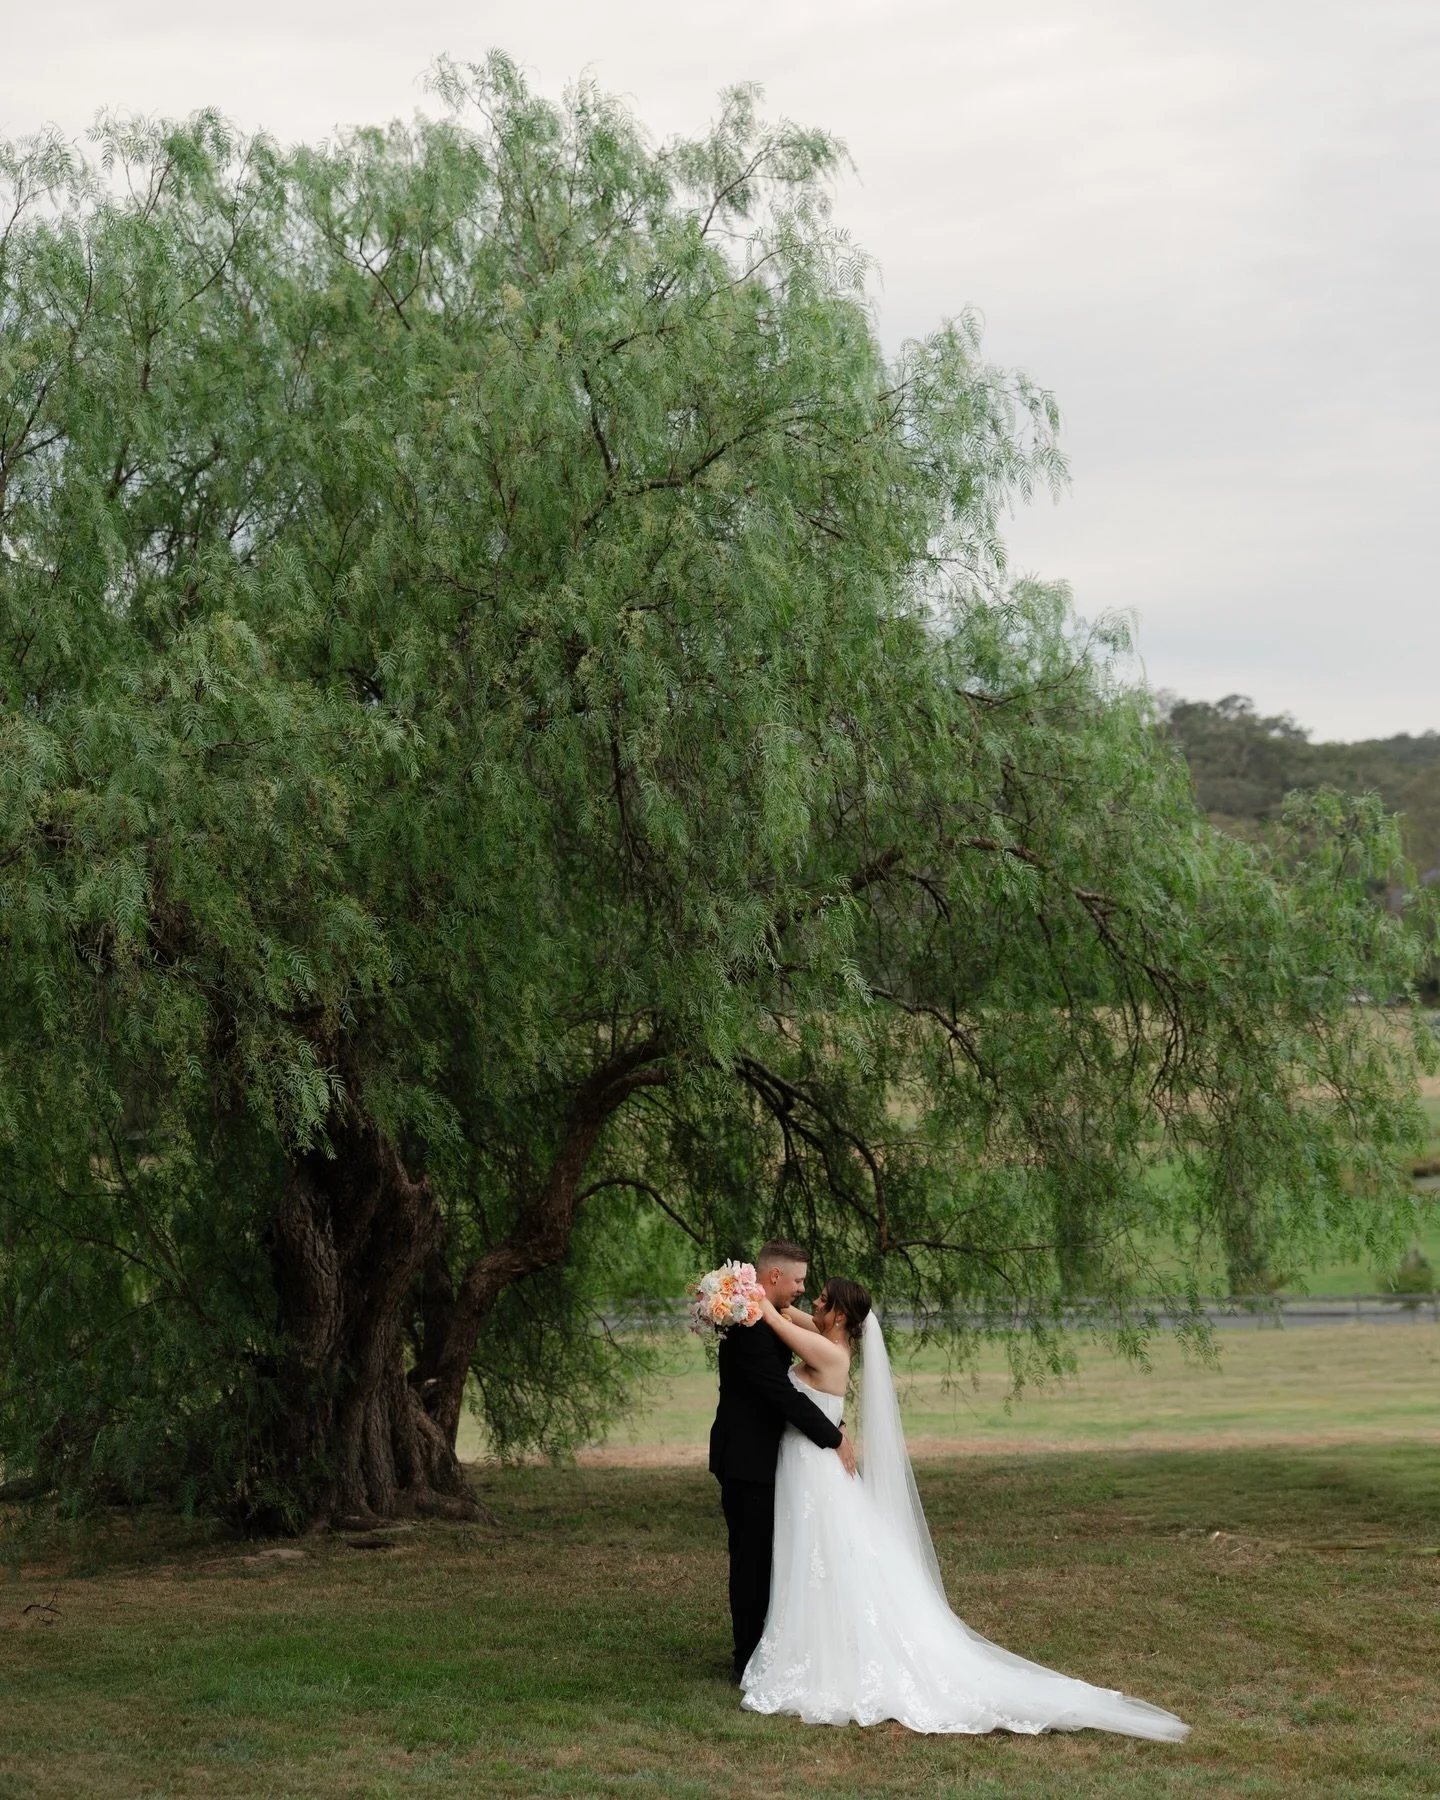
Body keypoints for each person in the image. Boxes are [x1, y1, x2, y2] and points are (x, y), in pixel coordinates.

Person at [740, 1277, 1190, 1741]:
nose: (810, 1300)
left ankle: (828, 1654)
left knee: (823, 1556)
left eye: (821, 1299)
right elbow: (787, 1315)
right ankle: (815, 1640)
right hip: (805, 1465)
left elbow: (775, 1317)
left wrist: (742, 1290)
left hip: (816, 1470)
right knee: (813, 1557)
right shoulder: (823, 1337)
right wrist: (756, 1294)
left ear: (837, 1316)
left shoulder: (829, 1353)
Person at [708, 1241, 858, 1684]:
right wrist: (834, 1438)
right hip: (746, 1459)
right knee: (752, 1561)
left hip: (772, 1458)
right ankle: (747, 1659)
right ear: (773, 1277)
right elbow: (782, 1395)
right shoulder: (751, 1325)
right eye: (798, 1280)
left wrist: (837, 1424)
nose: (802, 1289)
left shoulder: (764, 1315)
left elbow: (820, 1370)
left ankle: (773, 1647)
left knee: (775, 1557)